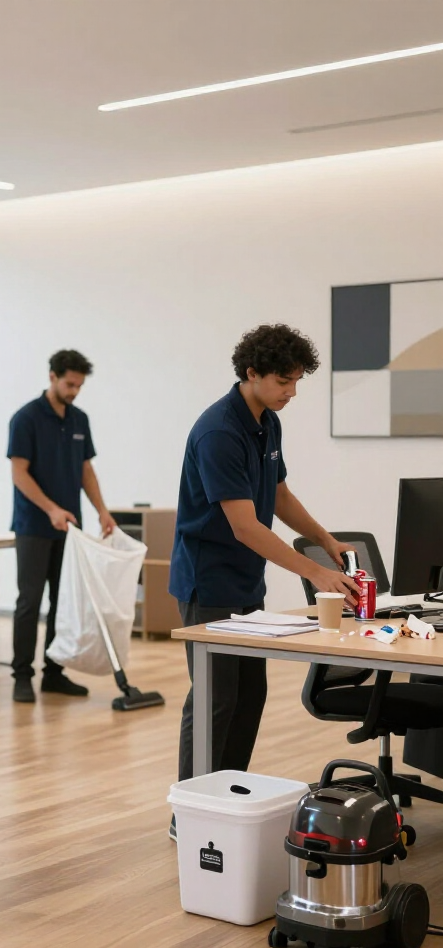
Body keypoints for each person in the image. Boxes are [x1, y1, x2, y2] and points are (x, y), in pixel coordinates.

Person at [169, 324, 359, 838]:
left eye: (297, 381)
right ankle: (189, 812)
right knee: (215, 701)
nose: (291, 392)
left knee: (248, 697)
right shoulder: (218, 431)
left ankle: (225, 801)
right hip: (208, 582)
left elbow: (278, 495)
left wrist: (324, 539)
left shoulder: (266, 421)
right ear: (251, 373)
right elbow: (245, 526)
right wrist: (315, 572)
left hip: (246, 583)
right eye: (283, 381)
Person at [7, 350, 117, 704]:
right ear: (52, 377)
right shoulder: (25, 418)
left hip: (69, 527)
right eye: (69, 384)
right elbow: (19, 473)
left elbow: (86, 470)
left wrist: (102, 510)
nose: (74, 391)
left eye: (79, 386)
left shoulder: (79, 419)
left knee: (62, 601)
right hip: (33, 525)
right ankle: (21, 676)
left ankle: (53, 674)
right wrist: (51, 509)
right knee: (29, 602)